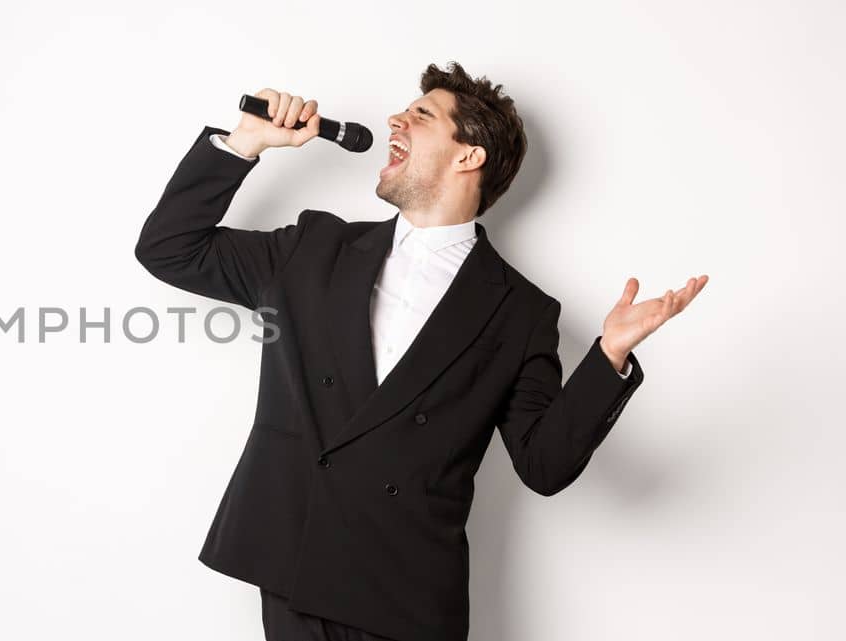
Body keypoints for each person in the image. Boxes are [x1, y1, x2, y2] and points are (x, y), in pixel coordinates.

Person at [132, 62, 708, 641]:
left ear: (468, 156)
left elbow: (544, 466)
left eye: (421, 115)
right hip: (294, 564)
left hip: (405, 597)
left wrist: (609, 356)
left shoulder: (521, 313)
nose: (395, 120)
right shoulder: (314, 248)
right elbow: (169, 249)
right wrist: (246, 142)